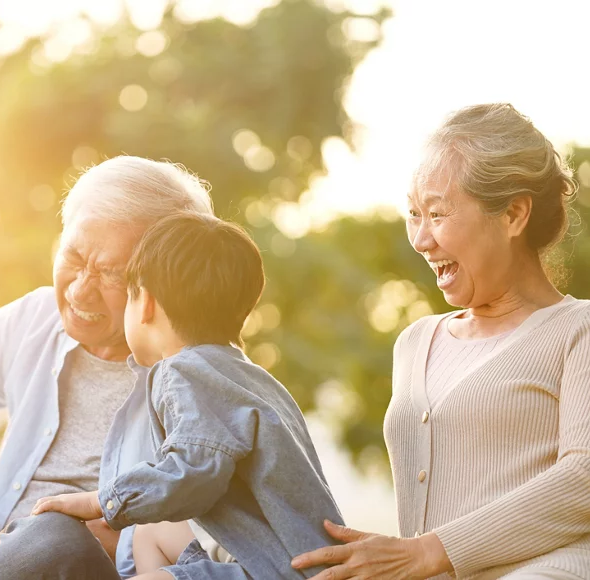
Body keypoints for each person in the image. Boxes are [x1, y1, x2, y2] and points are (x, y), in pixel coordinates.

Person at [291, 103, 590, 579]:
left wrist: (429, 551)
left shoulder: (580, 330)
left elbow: (584, 480)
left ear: (513, 213)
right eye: (413, 214)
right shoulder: (415, 343)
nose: (420, 239)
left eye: (436, 213)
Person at [32, 211, 345, 580]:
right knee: (148, 532)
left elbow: (193, 474)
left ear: (144, 302)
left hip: (273, 569)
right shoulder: (250, 376)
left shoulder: (181, 371)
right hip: (290, 555)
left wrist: (100, 501)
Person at [0, 156, 214, 579]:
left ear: (164, 284)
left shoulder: (200, 383)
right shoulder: (34, 319)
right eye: (73, 256)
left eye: (110, 274)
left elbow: (204, 544)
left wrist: (122, 538)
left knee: (54, 536)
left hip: (73, 561)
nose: (79, 291)